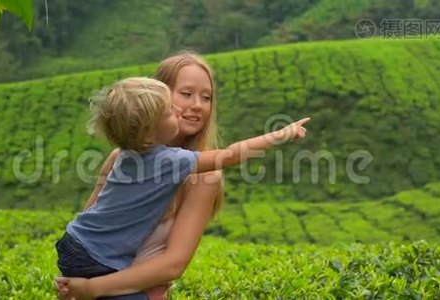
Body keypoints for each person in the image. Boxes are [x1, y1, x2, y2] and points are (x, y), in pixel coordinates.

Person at [55, 52, 309, 299]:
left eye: (206, 97)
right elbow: (91, 223)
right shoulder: (122, 156)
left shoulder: (203, 176)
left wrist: (91, 289)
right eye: (186, 94)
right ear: (157, 99)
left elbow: (172, 265)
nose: (196, 106)